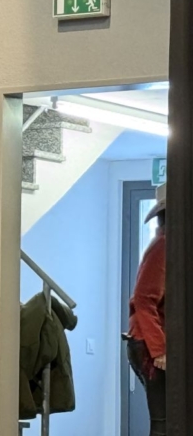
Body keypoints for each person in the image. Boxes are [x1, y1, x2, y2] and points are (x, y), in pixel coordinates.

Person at [127, 183, 167, 436]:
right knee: (164, 421)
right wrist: (159, 349)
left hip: (152, 343)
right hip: (149, 346)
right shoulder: (164, 245)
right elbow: (143, 300)